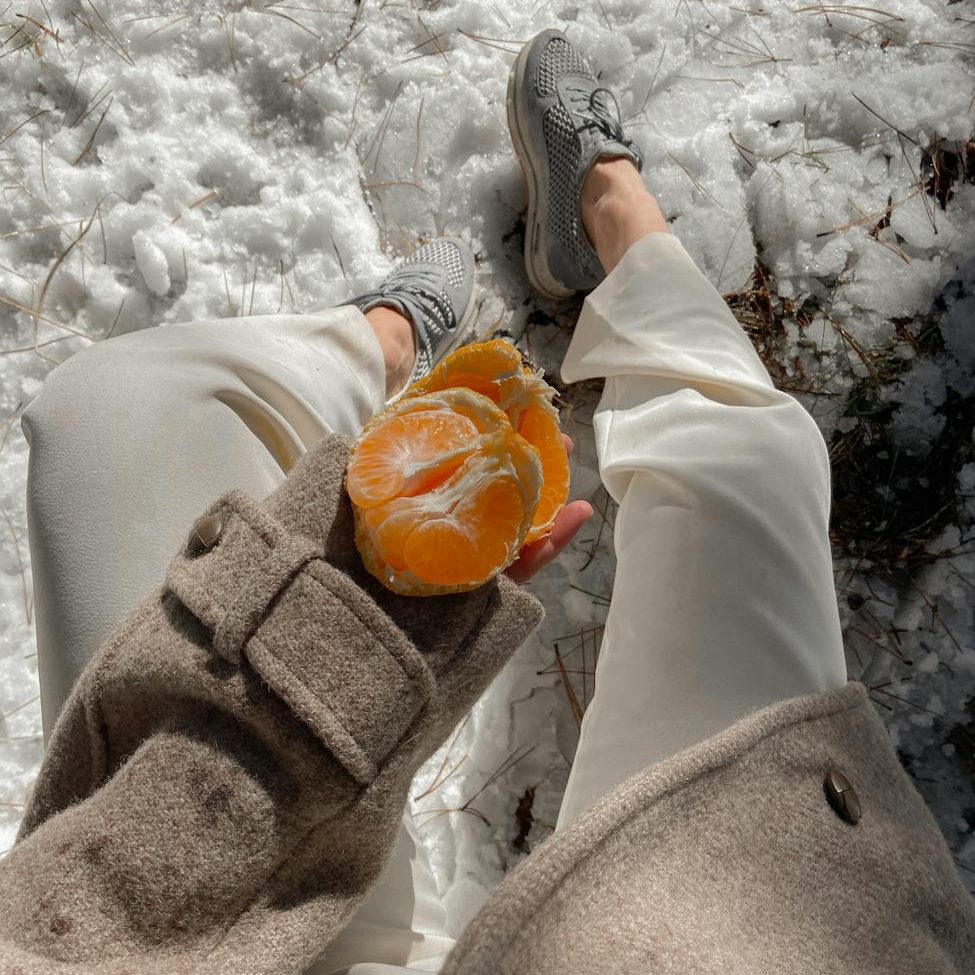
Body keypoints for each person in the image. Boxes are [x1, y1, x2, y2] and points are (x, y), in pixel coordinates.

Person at [2, 27, 973, 975]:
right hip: (717, 930)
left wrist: (299, 672)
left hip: (252, 946)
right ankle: (617, 221)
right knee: (749, 462)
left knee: (115, 410)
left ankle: (371, 348)